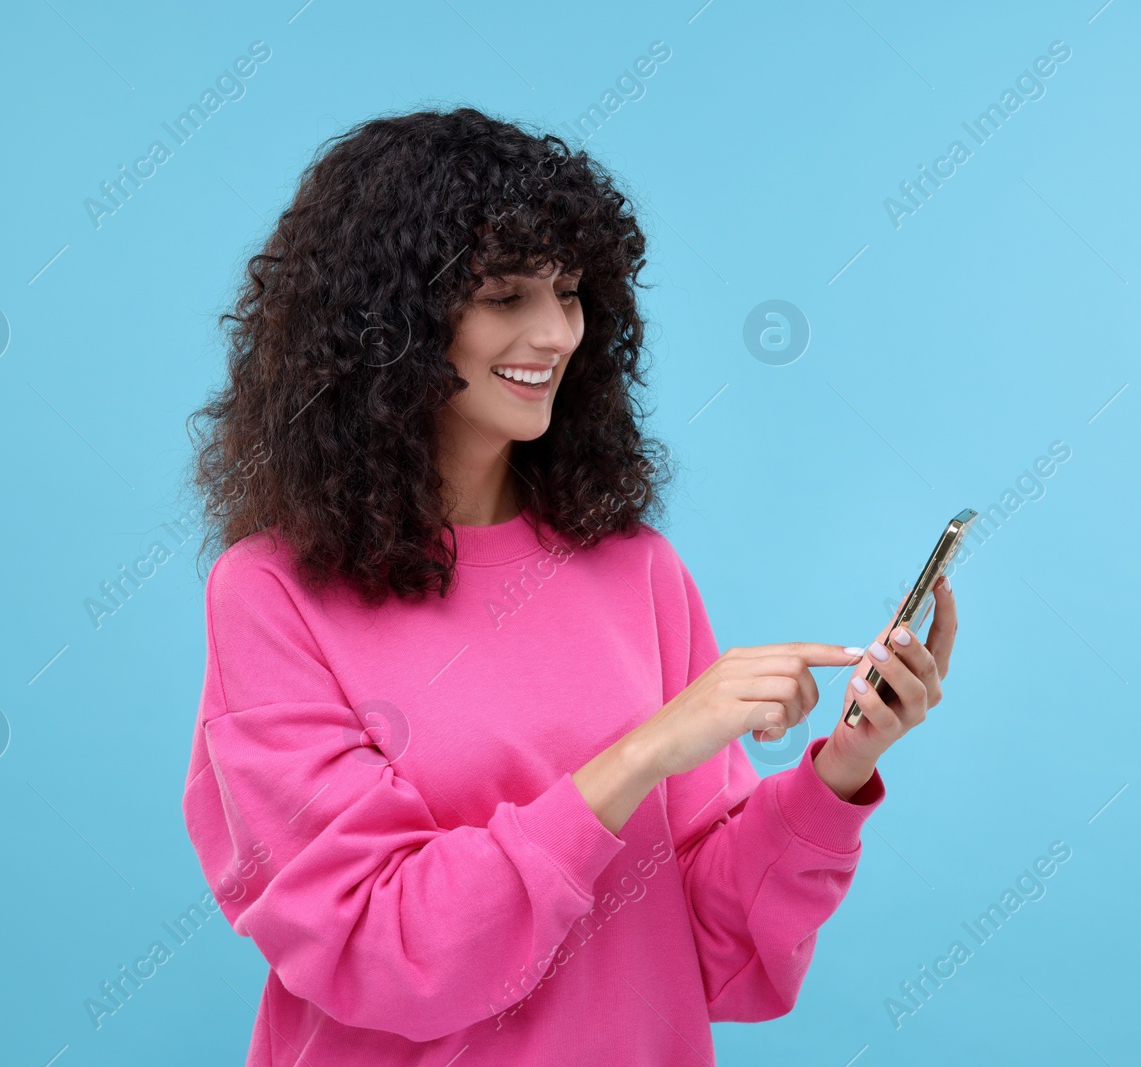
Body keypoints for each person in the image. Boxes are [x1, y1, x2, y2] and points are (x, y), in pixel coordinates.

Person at [180, 105, 957, 1066]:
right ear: (390, 324)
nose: (555, 332)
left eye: (572, 291)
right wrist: (642, 754)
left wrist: (840, 765)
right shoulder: (269, 594)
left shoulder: (639, 571)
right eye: (505, 296)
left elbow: (711, 951)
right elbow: (384, 947)